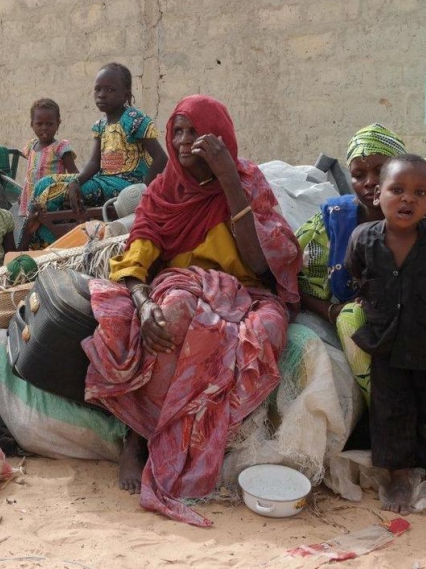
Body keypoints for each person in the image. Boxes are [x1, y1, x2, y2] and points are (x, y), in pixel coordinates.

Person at [82, 95, 301, 527]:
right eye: (177, 132)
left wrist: (227, 179)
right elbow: (136, 256)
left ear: (220, 138)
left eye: (194, 132)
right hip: (182, 282)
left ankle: (206, 436)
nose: (183, 142)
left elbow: (260, 263)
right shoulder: (166, 189)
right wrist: (143, 305)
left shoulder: (248, 181)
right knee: (174, 314)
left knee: (271, 328)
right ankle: (138, 436)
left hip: (246, 290)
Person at [295, 123, 426, 502]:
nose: (368, 182)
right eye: (360, 174)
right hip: (377, 324)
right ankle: (397, 461)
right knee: (355, 324)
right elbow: (302, 281)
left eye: (380, 169)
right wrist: (334, 307)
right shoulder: (337, 221)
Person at [346, 154, 426, 515]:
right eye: (397, 190)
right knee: (390, 412)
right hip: (385, 342)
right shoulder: (363, 240)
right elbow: (356, 274)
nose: (408, 199)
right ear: (377, 196)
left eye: (420, 193)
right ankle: (398, 478)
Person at [32, 63, 167, 244]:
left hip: (126, 184)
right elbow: (94, 163)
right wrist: (75, 181)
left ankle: (53, 241)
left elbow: (161, 158)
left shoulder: (134, 120)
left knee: (55, 193)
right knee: (43, 184)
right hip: (103, 179)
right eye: (98, 89)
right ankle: (41, 241)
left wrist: (144, 193)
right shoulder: (100, 125)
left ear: (126, 95)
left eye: (110, 90)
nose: (102, 94)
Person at [18, 98, 77, 218]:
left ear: (58, 124)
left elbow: (74, 174)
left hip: (52, 201)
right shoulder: (31, 146)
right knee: (31, 230)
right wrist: (23, 193)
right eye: (39, 124)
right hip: (31, 199)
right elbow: (30, 174)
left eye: (49, 124)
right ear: (32, 124)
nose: (44, 128)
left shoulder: (60, 148)